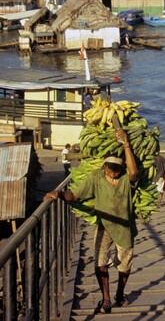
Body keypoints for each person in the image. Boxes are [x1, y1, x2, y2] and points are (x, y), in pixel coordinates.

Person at [44, 127, 137, 314]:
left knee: (125, 266)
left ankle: (120, 293)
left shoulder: (127, 178)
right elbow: (76, 195)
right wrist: (60, 193)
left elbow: (134, 173)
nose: (113, 174)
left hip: (124, 227)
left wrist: (126, 145)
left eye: (117, 171)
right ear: (104, 167)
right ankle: (106, 299)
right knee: (100, 262)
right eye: (110, 170)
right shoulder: (96, 177)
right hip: (104, 226)